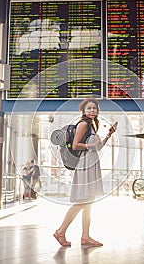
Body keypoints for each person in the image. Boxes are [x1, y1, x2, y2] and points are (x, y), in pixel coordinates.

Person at [53, 97, 118, 247]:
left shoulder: (92, 126)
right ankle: (60, 231)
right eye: (89, 108)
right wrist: (90, 146)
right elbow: (75, 146)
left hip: (91, 163)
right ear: (83, 111)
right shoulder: (83, 124)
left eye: (94, 108)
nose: (92, 110)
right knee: (82, 201)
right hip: (85, 164)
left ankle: (85, 236)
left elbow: (98, 146)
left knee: (89, 202)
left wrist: (109, 134)